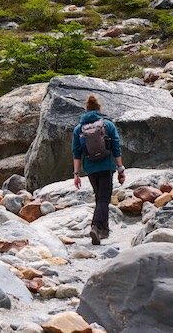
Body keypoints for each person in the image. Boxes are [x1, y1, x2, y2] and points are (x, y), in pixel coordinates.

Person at [71, 95, 125, 245]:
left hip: (90, 168)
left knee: (99, 198)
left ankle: (104, 230)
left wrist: (76, 174)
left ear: (86, 109)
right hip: (106, 165)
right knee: (104, 199)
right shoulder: (107, 125)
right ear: (99, 109)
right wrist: (120, 168)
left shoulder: (78, 128)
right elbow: (115, 147)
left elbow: (76, 152)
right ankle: (95, 227)